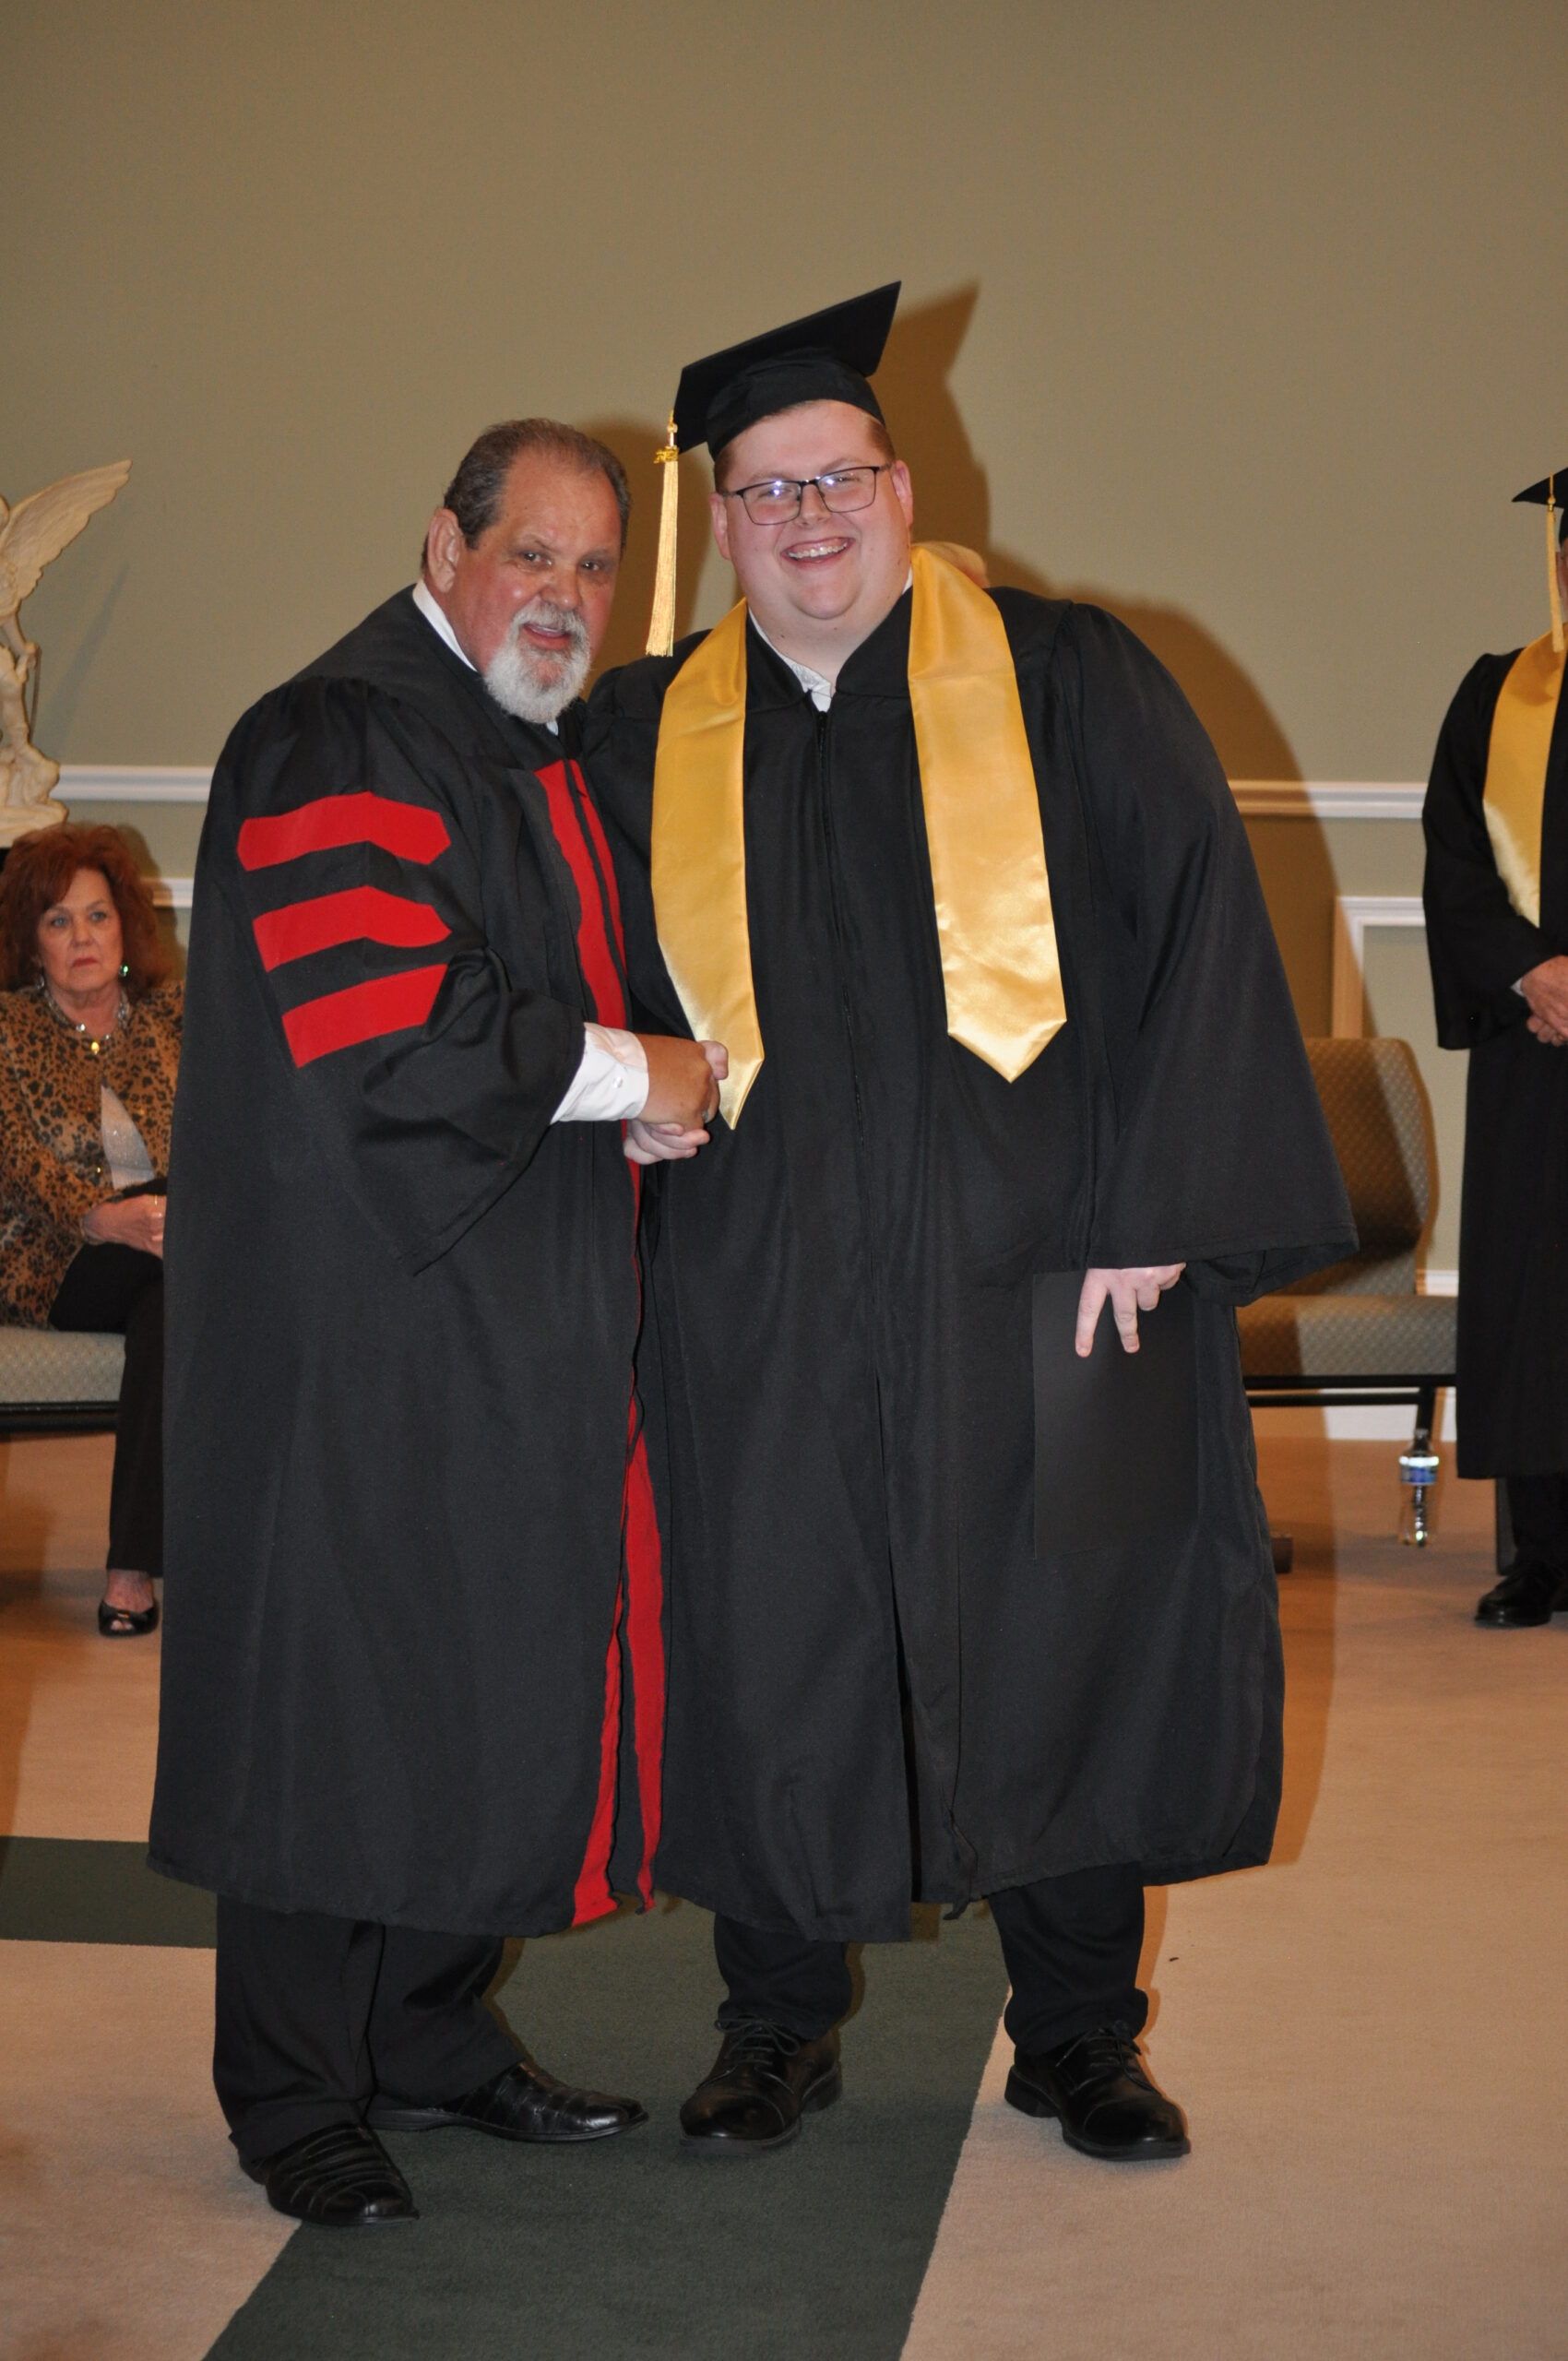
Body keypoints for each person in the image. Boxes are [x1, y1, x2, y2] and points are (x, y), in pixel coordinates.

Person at [587, 287, 1354, 2163]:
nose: (810, 518)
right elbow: (562, 990)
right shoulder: (635, 734)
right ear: (721, 521)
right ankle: (773, 2023)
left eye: (837, 476)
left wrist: (1158, 1208)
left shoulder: (1071, 674)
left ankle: (1081, 2031)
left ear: (904, 482)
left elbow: (1195, 932)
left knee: (1065, 1636)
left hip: (1048, 1278)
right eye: (764, 493)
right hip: (754, 1290)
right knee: (771, 1633)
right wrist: (618, 1120)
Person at [148, 419, 724, 2229]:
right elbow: (387, 1011)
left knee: (493, 1660)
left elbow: (529, 1005)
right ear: (444, 540)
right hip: (357, 1330)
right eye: (531, 553)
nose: (561, 595)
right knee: (342, 1684)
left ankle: (424, 2024)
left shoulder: (524, 746)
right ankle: (293, 2087)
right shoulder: (335, 730)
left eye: (594, 567)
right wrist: (637, 1064)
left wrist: (617, 1097)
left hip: (513, 1308)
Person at [1423, 468, 1568, 1628]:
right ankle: (1543, 1556)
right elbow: (1453, 858)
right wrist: (1526, 967)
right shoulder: (1497, 697)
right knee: (1536, 1296)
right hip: (1539, 1044)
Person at [0, 824, 180, 1634]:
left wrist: (164, 1217)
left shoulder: (176, 1019)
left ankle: (129, 1570)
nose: (83, 938)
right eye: (59, 921)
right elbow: (16, 1165)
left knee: (173, 1306)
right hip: (52, 1257)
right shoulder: (6, 1033)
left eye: (98, 917)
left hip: (171, 1252)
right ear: (30, 943)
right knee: (187, 1270)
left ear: (125, 926)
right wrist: (105, 1216)